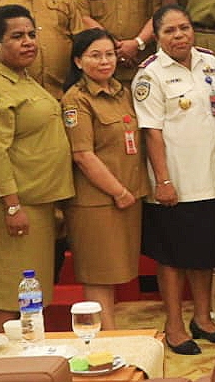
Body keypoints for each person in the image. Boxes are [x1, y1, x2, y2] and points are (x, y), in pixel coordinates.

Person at [133, 5, 215, 354]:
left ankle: (203, 319)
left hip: (214, 177)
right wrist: (163, 181)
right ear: (157, 37)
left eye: (184, 28)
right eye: (170, 31)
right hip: (176, 181)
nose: (179, 36)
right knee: (173, 257)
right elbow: (151, 132)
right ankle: (174, 325)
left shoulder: (210, 61)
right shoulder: (150, 74)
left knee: (204, 252)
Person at [0, 4, 74, 329]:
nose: (28, 42)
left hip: (38, 202)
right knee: (7, 294)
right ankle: (3, 357)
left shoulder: (22, 79)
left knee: (30, 295)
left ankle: (27, 354)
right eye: (17, 36)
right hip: (13, 207)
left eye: (31, 34)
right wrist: (12, 207)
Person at [61, 28, 149, 330]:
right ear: (78, 61)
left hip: (127, 195)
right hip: (98, 201)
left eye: (110, 54)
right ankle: (106, 339)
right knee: (98, 274)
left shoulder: (122, 92)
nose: (104, 61)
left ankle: (111, 334)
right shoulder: (76, 100)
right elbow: (83, 155)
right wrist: (118, 191)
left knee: (114, 271)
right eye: (95, 55)